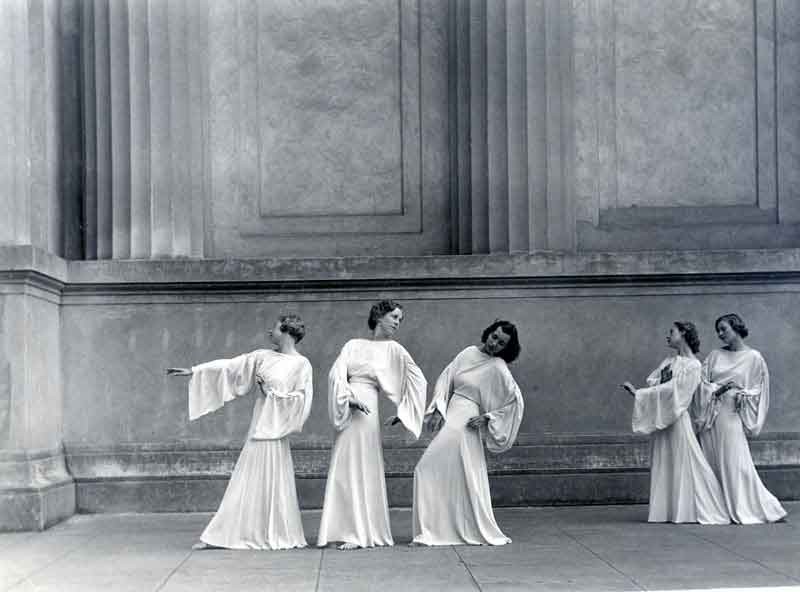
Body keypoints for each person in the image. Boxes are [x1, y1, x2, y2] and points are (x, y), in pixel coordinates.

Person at [166, 314, 313, 549]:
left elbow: (302, 399)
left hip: (274, 428)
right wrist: (195, 370)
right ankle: (223, 534)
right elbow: (231, 365)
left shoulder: (301, 364)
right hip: (259, 424)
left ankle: (272, 532)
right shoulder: (262, 356)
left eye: (274, 328)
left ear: (287, 332)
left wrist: (272, 394)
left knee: (271, 473)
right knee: (247, 474)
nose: (269, 332)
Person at [317, 300, 427, 550]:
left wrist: (405, 412)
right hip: (349, 405)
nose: (398, 322)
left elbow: (417, 380)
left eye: (401, 319)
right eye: (395, 317)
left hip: (369, 409)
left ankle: (360, 534)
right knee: (344, 465)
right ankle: (343, 529)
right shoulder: (353, 345)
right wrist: (348, 397)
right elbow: (336, 374)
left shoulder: (395, 350)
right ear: (379, 315)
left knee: (363, 464)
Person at [412, 320, 524, 546]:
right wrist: (438, 409)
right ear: (488, 333)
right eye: (494, 337)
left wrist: (489, 417)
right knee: (452, 474)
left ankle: (433, 532)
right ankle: (437, 530)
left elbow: (515, 402)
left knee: (425, 469)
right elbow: (446, 378)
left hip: (465, 422)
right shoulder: (468, 353)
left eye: (501, 343)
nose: (495, 344)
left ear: (506, 348)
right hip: (452, 414)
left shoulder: (497, 367)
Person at [620, 322, 729, 524]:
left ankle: (696, 508)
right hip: (664, 420)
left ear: (684, 333)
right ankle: (668, 511)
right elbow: (657, 382)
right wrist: (648, 390)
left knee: (687, 462)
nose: (667, 336)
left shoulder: (694, 365)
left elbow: (679, 392)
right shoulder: (668, 361)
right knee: (665, 462)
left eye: (672, 332)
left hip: (678, 419)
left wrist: (641, 393)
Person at [691, 313, 787, 524]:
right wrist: (719, 388)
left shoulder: (754, 358)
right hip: (712, 415)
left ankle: (754, 506)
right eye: (718, 330)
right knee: (712, 461)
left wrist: (741, 393)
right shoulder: (715, 356)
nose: (720, 334)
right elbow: (701, 383)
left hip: (732, 414)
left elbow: (758, 390)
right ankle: (718, 509)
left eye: (724, 329)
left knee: (736, 462)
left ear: (736, 328)